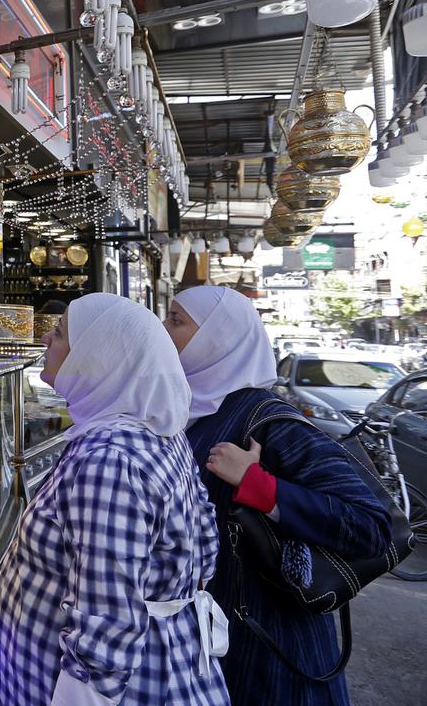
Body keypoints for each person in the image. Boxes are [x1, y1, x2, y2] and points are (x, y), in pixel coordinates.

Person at [0, 293, 230, 706]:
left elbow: (107, 631)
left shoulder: (108, 461)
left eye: (60, 333)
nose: (46, 339)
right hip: (168, 660)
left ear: (99, 356)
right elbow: (205, 548)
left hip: (83, 688)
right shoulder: (159, 429)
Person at [163, 286, 392, 706]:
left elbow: (370, 526)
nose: (164, 329)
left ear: (218, 339)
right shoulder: (193, 408)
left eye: (176, 321)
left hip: (273, 644)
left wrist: (257, 484)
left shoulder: (269, 419)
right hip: (216, 634)